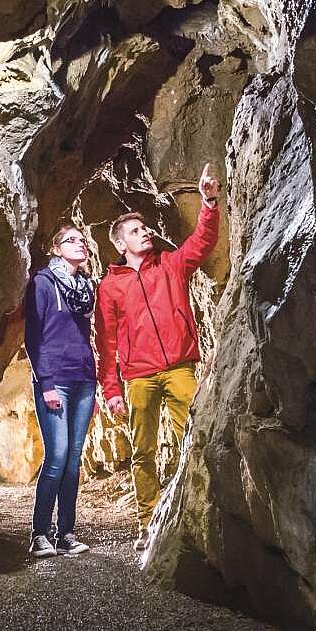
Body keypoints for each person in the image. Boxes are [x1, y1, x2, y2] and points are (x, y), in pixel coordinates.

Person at [96, 164, 221, 551]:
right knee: (143, 452)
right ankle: (148, 522)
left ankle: (202, 513)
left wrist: (209, 203)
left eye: (144, 227)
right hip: (140, 379)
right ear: (121, 245)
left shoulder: (170, 266)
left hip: (180, 369)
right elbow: (107, 344)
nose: (145, 231)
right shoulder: (111, 287)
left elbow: (202, 242)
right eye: (135, 231)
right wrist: (111, 389)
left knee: (196, 440)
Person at [23, 223, 99, 558]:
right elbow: (34, 337)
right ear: (57, 248)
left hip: (83, 380)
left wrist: (93, 382)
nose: (80, 245)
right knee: (56, 457)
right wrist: (47, 383)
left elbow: (84, 337)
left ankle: (66, 532)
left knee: (73, 461)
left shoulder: (85, 288)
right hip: (55, 382)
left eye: (82, 241)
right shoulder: (42, 283)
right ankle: (39, 533)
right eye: (72, 240)